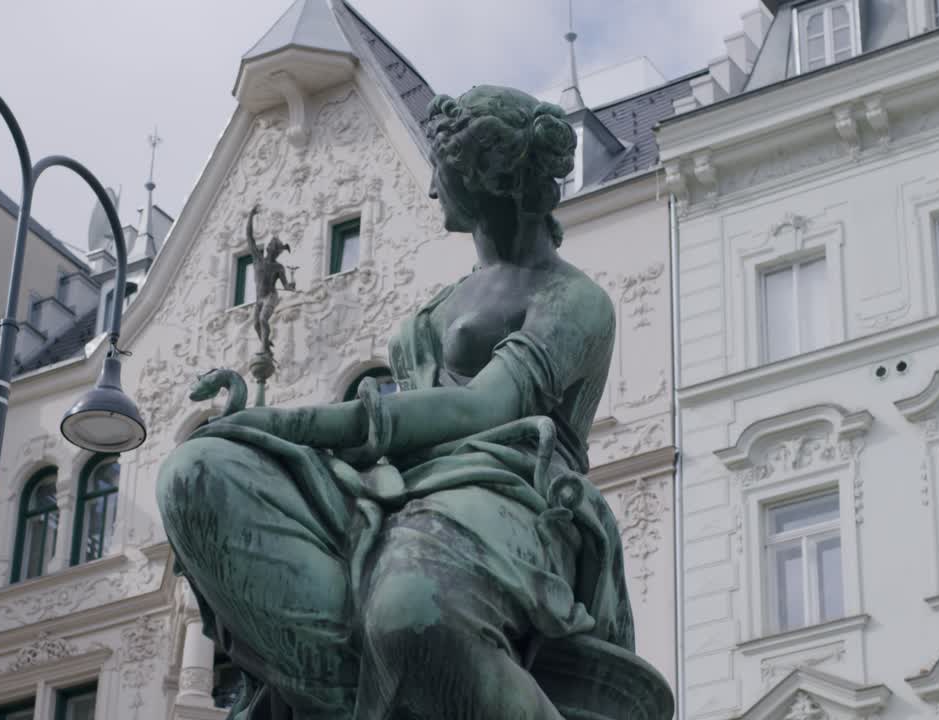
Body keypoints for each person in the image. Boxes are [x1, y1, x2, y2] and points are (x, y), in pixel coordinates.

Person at [158, 85, 635, 719]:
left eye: (442, 172)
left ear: (483, 177)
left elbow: (483, 409)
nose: (434, 191)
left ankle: (393, 672)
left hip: (512, 493)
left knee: (411, 605)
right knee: (196, 473)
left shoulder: (572, 300)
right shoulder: (440, 303)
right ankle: (342, 688)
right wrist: (259, 437)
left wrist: (294, 424)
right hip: (393, 486)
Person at [246, 204, 296, 354]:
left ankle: (264, 348)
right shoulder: (258, 259)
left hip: (271, 296)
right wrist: (251, 215)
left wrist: (291, 285)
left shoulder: (278, 267)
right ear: (269, 248)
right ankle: (266, 345)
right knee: (255, 324)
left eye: (278, 249)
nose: (275, 251)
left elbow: (286, 286)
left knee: (262, 320)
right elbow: (249, 237)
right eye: (274, 247)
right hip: (259, 299)